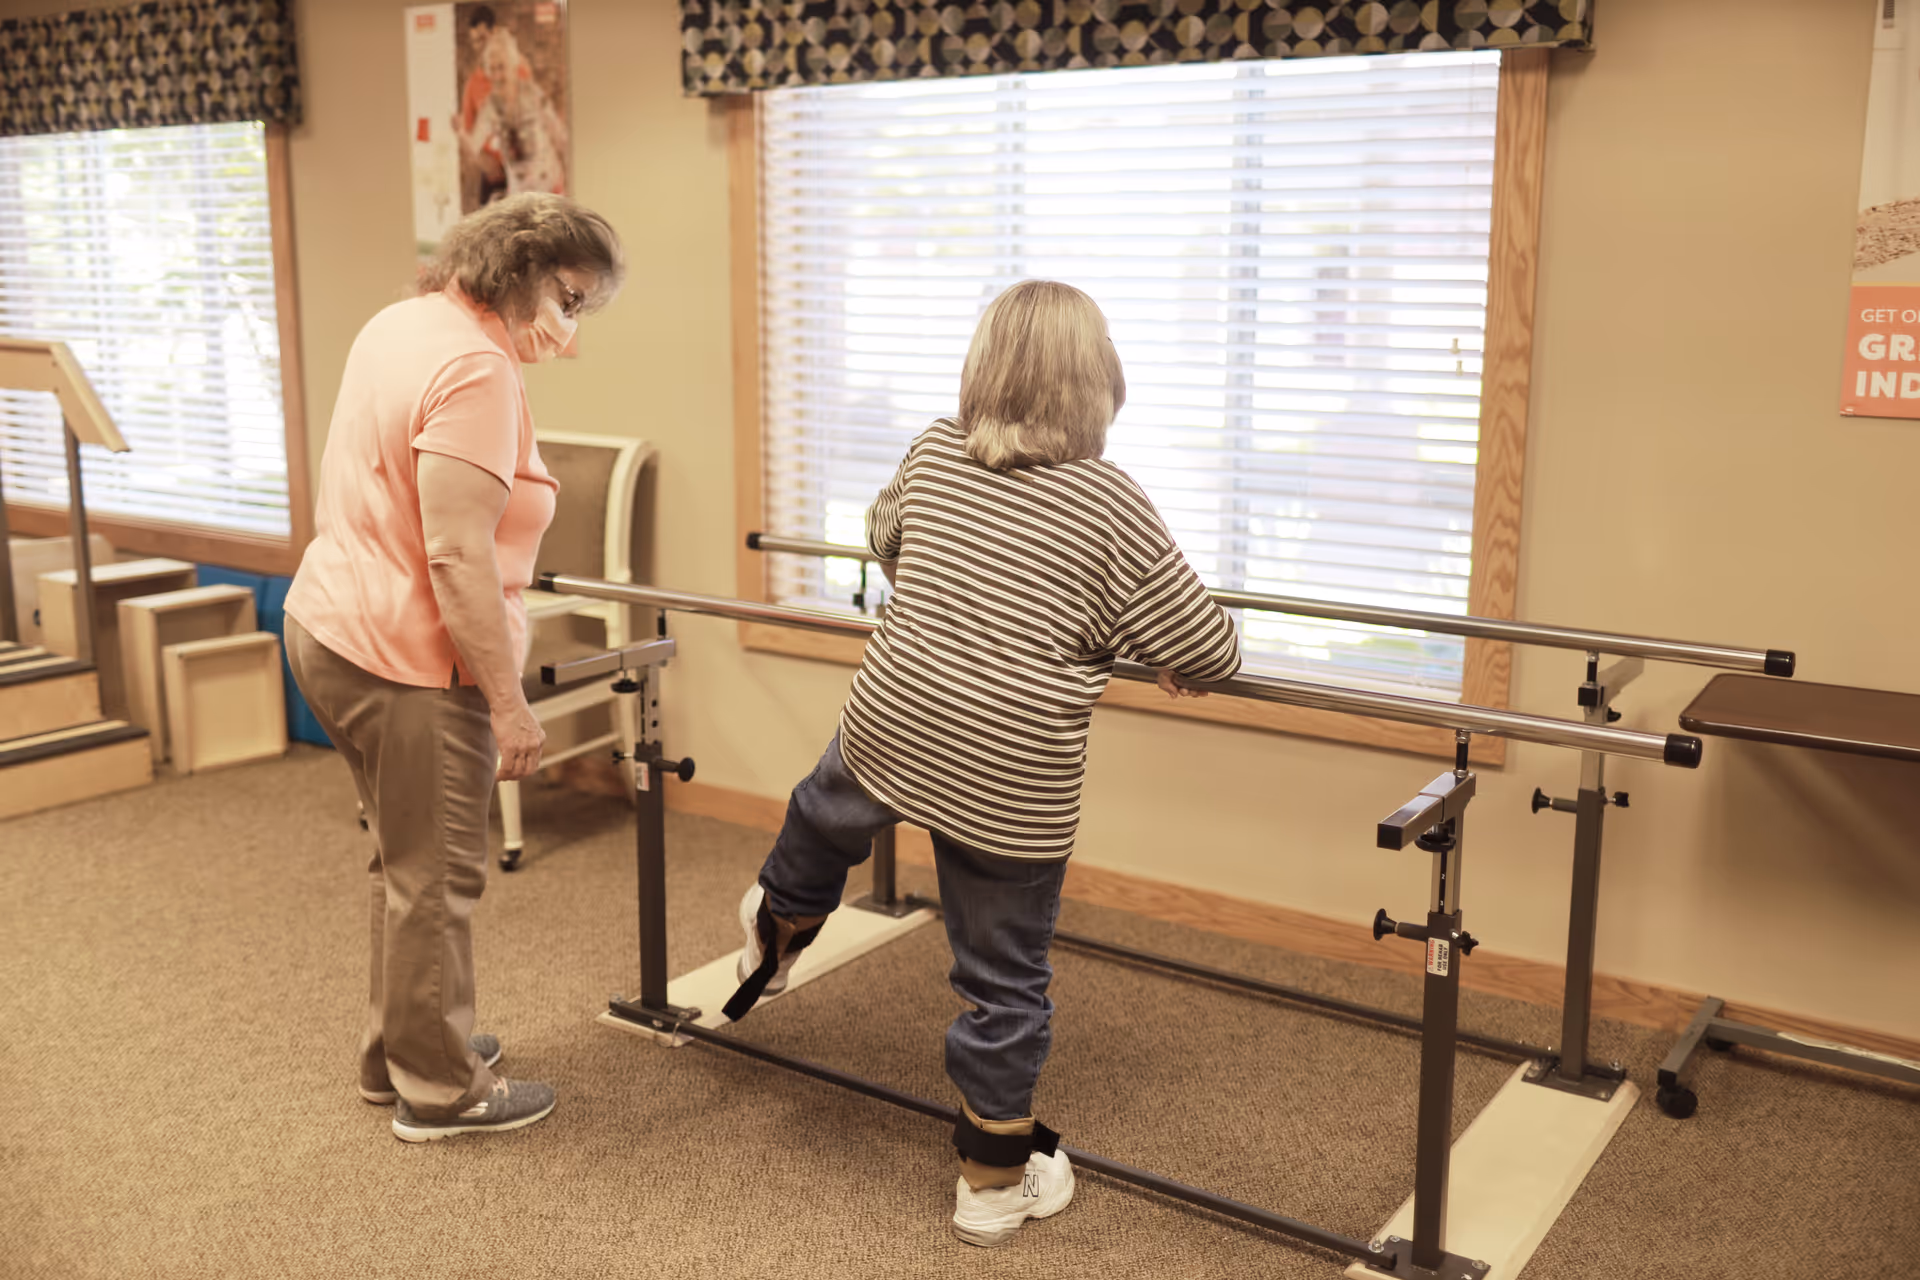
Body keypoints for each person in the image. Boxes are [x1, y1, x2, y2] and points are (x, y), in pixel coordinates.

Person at [725, 280, 1242, 1245]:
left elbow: (885, 540)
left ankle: (780, 918)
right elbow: (1212, 650)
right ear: (1101, 382)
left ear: (981, 370)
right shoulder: (1110, 500)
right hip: (1010, 767)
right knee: (1003, 979)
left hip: (899, 712)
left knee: (828, 807)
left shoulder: (932, 448)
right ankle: (992, 1188)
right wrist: (1140, 643)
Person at [285, 193, 624, 1143]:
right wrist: (510, 707)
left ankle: (397, 1053)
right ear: (516, 271)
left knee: (403, 865)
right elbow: (456, 557)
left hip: (331, 625)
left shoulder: (406, 321)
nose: (569, 327)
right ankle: (438, 1093)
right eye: (568, 298)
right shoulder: (476, 366)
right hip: (408, 661)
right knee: (436, 880)